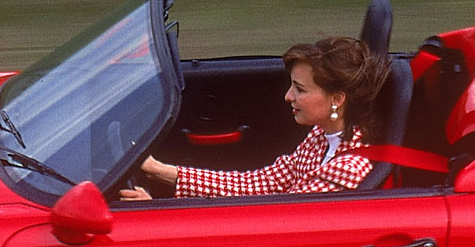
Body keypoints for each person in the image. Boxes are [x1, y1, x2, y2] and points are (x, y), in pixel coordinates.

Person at [120, 36, 388, 199]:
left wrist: (158, 210)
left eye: (300, 89)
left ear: (337, 99)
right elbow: (259, 184)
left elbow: (275, 218)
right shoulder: (323, 135)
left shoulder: (346, 168)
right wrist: (157, 170)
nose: (288, 96)